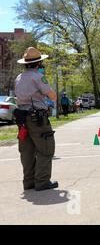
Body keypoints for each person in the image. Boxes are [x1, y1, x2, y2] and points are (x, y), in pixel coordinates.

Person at [14, 47, 58, 191]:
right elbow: (52, 96)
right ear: (38, 63)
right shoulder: (38, 77)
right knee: (45, 148)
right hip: (37, 118)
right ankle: (42, 181)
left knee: (27, 151)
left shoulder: (19, 78)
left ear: (25, 63)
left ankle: (29, 182)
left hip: (22, 118)